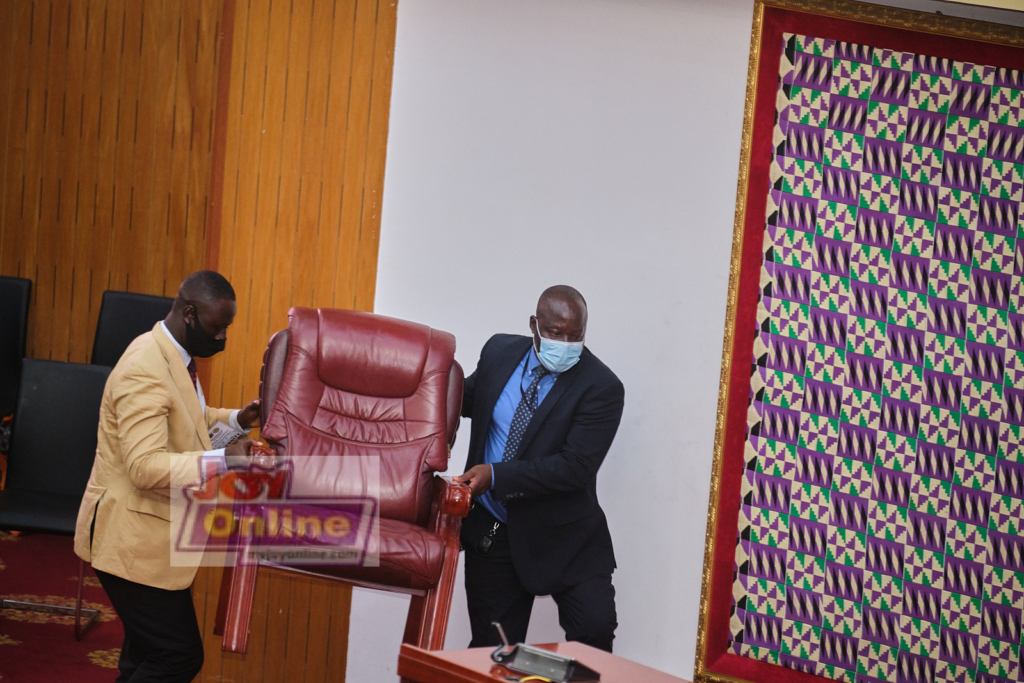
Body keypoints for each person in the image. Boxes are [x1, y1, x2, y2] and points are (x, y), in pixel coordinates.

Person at [74, 271, 261, 683]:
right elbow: (145, 467)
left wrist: (236, 420)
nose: (223, 340)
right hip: (130, 542)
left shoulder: (172, 355)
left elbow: (188, 423)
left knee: (141, 660)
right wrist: (224, 460)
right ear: (190, 315)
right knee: (177, 657)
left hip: (151, 538)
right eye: (218, 329)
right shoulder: (145, 368)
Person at [454, 285, 625, 653]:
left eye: (574, 335)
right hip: (494, 531)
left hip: (566, 537)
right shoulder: (499, 352)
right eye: (553, 332)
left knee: (594, 635)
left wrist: (496, 475)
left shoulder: (602, 387)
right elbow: (464, 400)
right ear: (534, 324)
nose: (564, 343)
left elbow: (574, 467)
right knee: (492, 651)